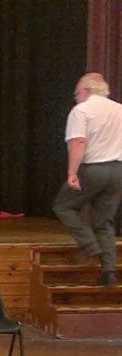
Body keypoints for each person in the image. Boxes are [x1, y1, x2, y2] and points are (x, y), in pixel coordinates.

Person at [52, 72, 122, 287]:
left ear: (86, 91)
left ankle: (89, 245)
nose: (76, 98)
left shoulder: (81, 110)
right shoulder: (119, 109)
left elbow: (78, 142)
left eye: (76, 94)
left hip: (93, 168)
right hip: (117, 169)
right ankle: (108, 272)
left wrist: (72, 173)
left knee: (63, 206)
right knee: (105, 221)